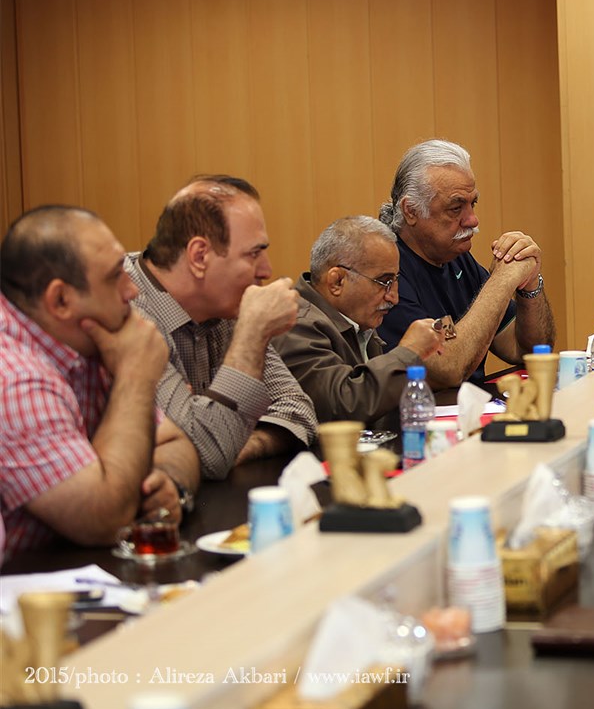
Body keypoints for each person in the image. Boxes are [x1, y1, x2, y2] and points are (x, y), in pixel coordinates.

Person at [0, 206, 196, 559]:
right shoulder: (14, 380)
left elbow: (174, 442)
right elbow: (105, 519)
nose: (132, 291)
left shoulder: (90, 337)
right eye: (114, 276)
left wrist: (166, 483)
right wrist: (136, 375)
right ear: (61, 300)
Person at [126, 175, 317, 480]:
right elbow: (205, 455)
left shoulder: (224, 303)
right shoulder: (128, 314)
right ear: (199, 256)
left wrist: (240, 445)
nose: (266, 270)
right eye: (253, 253)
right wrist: (252, 333)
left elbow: (298, 410)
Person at [377, 140, 556, 390]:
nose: (472, 220)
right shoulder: (385, 271)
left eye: (473, 204)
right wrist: (503, 281)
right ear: (411, 211)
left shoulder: (456, 257)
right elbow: (447, 368)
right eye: (455, 208)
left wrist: (530, 284)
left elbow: (530, 350)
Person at [273, 216, 445, 431]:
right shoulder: (294, 324)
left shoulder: (355, 319)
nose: (394, 297)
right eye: (384, 282)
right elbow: (341, 409)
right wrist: (409, 352)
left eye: (395, 280)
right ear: (337, 281)